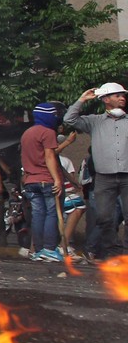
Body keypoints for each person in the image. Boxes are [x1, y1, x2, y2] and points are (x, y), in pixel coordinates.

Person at [63, 82, 128, 261]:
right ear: (105, 99)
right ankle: (113, 253)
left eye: (123, 95)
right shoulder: (94, 121)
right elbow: (69, 120)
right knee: (104, 218)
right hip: (104, 179)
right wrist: (81, 100)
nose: (122, 98)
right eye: (117, 95)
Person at [20, 102, 65, 262]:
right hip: (46, 179)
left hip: (30, 181)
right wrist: (57, 179)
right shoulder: (47, 132)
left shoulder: (27, 133)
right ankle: (49, 249)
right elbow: (49, 156)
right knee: (51, 214)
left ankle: (39, 250)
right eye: (53, 115)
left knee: (38, 215)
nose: (55, 118)